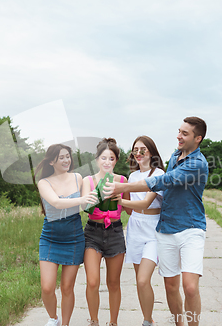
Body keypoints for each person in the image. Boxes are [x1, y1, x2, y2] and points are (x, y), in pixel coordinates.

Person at [104, 117, 209, 326]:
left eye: (185, 133)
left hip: (191, 228)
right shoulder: (175, 156)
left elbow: (164, 181)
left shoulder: (197, 163)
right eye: (179, 131)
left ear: (198, 138)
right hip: (166, 229)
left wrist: (123, 189)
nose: (179, 136)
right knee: (170, 286)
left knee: (189, 286)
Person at [35, 144, 99, 326]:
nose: (66, 160)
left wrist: (100, 195)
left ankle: (65, 324)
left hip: (74, 238)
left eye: (68, 156)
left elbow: (87, 205)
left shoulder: (78, 178)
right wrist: (81, 200)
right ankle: (53, 318)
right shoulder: (44, 182)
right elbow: (55, 203)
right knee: (47, 287)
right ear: (51, 161)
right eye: (61, 157)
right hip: (50, 237)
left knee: (67, 287)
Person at [113, 136, 165, 326]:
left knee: (143, 280)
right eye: (136, 150)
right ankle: (147, 319)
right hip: (135, 228)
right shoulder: (132, 177)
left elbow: (144, 203)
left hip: (153, 229)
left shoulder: (158, 174)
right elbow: (129, 210)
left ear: (151, 152)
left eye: (143, 149)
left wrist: (120, 200)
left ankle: (147, 320)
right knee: (139, 280)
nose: (139, 153)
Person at [82, 138, 129, 326]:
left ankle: (113, 322)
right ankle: (94, 321)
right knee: (93, 281)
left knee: (113, 283)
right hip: (92, 232)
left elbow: (129, 209)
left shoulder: (122, 181)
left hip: (115, 232)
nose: (107, 162)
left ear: (116, 160)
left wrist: (120, 200)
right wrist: (95, 197)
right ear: (97, 159)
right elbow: (84, 204)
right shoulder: (88, 180)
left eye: (111, 158)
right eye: (103, 158)